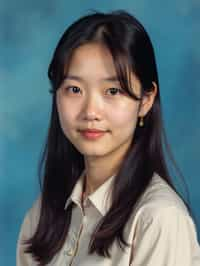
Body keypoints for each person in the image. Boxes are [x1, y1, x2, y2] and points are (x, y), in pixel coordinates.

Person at [16, 9, 200, 266]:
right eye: (75, 89)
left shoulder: (158, 219)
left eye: (112, 90)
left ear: (146, 100)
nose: (91, 111)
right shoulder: (42, 215)